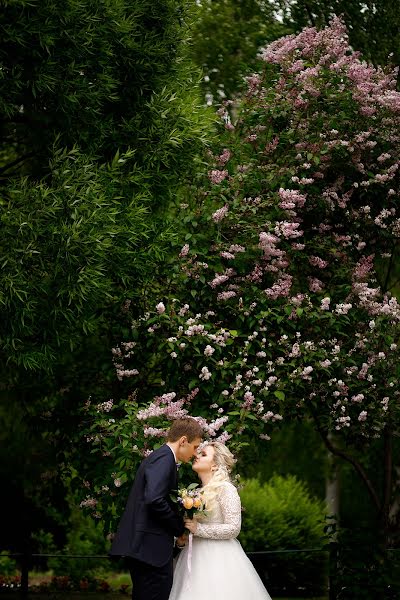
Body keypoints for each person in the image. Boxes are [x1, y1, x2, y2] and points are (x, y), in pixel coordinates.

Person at [109, 417, 203, 600]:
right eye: (195, 447)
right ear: (183, 441)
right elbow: (154, 499)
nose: (195, 453)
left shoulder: (162, 457)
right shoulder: (164, 459)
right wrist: (178, 526)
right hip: (149, 551)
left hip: (146, 548)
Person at [168, 442, 273, 600]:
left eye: (203, 454)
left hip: (220, 560)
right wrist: (183, 538)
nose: (196, 455)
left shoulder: (226, 489)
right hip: (192, 559)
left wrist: (199, 530)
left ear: (215, 465)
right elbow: (191, 528)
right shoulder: (195, 494)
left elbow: (234, 528)